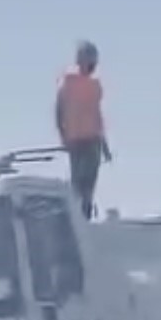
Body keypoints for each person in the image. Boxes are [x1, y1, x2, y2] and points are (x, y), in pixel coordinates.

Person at [56, 40, 112, 219]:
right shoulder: (68, 82)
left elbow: (97, 116)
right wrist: (63, 136)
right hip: (76, 140)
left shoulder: (95, 85)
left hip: (93, 140)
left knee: (88, 184)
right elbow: (60, 110)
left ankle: (84, 215)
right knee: (78, 183)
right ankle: (77, 215)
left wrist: (104, 146)